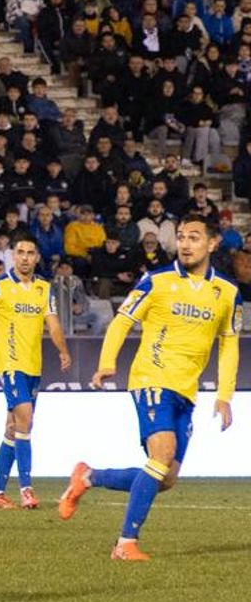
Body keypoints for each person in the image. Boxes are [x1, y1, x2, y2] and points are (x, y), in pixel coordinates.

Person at [57, 214, 238, 561]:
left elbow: (229, 344)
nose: (185, 243)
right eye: (182, 236)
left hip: (187, 390)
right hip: (152, 378)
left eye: (194, 237)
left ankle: (89, 477)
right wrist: (107, 362)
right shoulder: (156, 280)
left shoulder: (227, 292)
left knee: (166, 477)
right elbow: (123, 319)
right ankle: (125, 544)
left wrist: (225, 396)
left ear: (212, 244)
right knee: (162, 455)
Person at [0, 232, 72, 510]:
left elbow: (54, 324)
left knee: (13, 428)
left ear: (36, 257)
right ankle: (26, 489)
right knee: (26, 419)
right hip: (9, 365)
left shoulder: (43, 289)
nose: (25, 258)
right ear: (13, 255)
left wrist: (63, 349)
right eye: (20, 252)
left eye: (30, 253)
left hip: (33, 367)